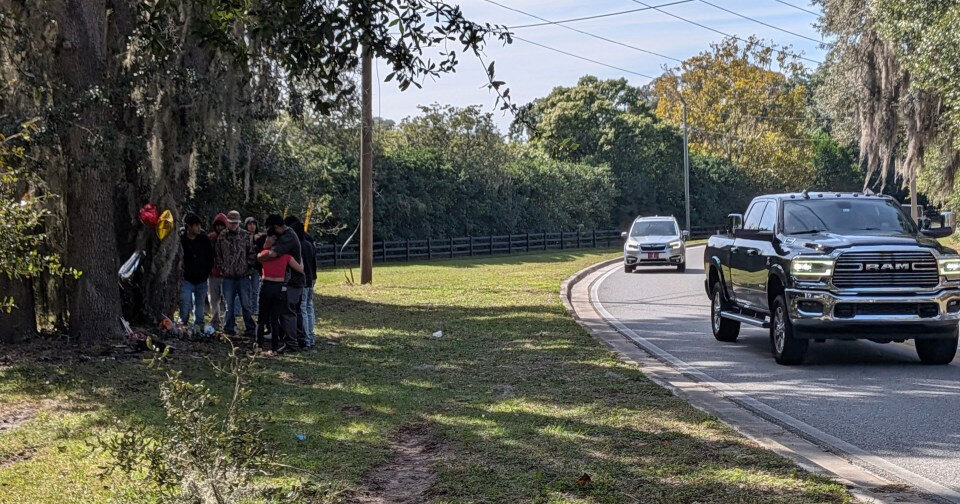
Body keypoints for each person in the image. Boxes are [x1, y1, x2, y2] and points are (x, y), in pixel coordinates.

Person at [260, 214, 303, 351]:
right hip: (290, 280)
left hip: (293, 281)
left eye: (270, 232)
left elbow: (272, 253)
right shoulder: (288, 234)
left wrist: (261, 256)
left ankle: (292, 344)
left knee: (287, 312)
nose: (270, 236)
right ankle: (297, 340)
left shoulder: (287, 237)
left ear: (276, 228)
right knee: (291, 311)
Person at [216, 210, 257, 336]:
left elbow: (252, 253)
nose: (233, 225)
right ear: (227, 222)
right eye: (231, 223)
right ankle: (229, 328)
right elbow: (218, 254)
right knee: (229, 305)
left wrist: (247, 268)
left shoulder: (246, 235)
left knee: (246, 304)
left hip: (243, 276)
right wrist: (222, 268)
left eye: (235, 223)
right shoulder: (222, 236)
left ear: (239, 222)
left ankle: (250, 328)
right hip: (228, 277)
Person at [179, 213, 214, 327]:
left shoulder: (204, 239)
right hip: (187, 279)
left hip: (202, 279)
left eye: (200, 225)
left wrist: (206, 272)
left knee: (200, 307)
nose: (199, 228)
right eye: (196, 225)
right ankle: (182, 325)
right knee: (185, 303)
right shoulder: (182, 240)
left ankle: (198, 327)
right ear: (188, 227)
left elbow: (210, 256)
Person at [293, 221, 317, 348]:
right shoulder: (309, 244)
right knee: (309, 307)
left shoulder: (298, 246)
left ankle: (306, 339)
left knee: (303, 308)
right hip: (312, 278)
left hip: (303, 280)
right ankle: (311, 337)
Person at [207, 213, 228, 329]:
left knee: (227, 300)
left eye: (222, 225)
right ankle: (215, 321)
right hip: (213, 273)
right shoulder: (211, 238)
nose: (220, 228)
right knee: (213, 299)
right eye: (218, 225)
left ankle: (228, 323)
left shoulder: (230, 238)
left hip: (226, 274)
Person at [245, 216, 265, 316]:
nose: (252, 226)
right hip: (245, 267)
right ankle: (246, 309)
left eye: (253, 224)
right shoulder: (243, 236)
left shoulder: (261, 237)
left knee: (255, 290)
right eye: (249, 224)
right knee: (245, 290)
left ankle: (255, 309)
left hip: (257, 267)